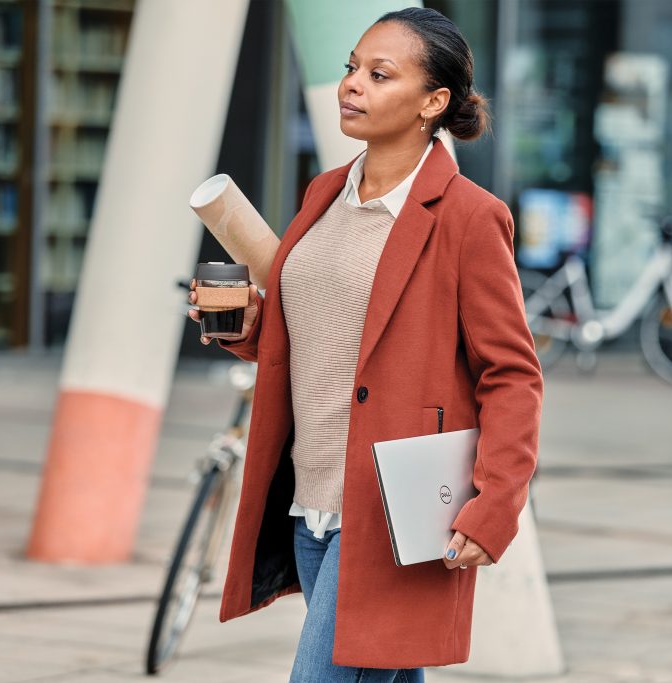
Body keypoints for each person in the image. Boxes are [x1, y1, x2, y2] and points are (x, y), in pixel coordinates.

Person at [188, 7, 542, 682]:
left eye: (380, 75)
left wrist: (495, 502)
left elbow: (512, 375)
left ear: (432, 102)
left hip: (390, 511)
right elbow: (312, 336)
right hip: (309, 500)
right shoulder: (325, 194)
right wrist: (240, 320)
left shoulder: (470, 217)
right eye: (352, 67)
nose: (353, 84)